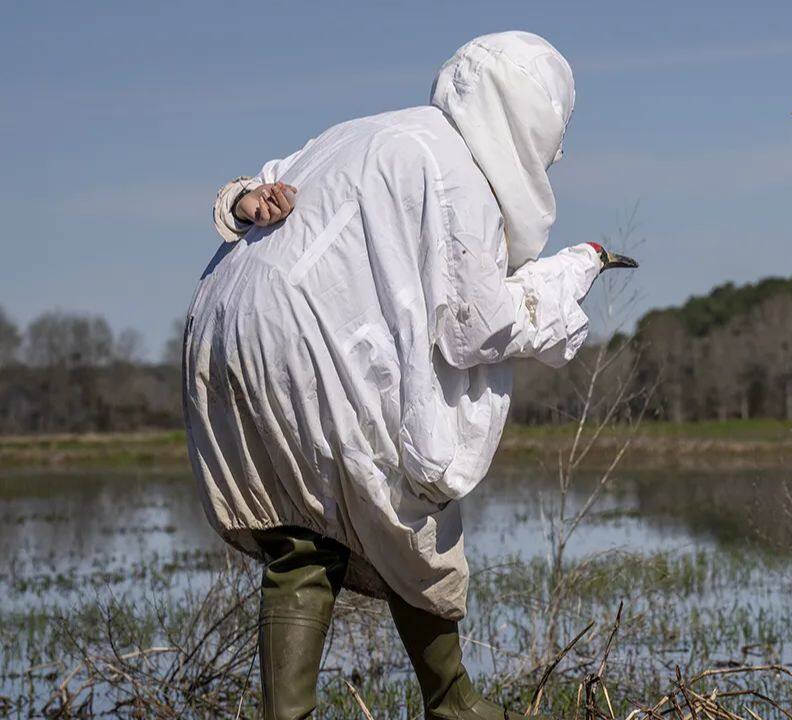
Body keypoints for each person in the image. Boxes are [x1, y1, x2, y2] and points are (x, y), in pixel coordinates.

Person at [185, 31, 635, 720]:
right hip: (309, 347)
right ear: (530, 116)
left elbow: (252, 194)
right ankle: (454, 704)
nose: (557, 150)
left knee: (302, 540)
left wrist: (244, 198)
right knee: (404, 497)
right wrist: (565, 296)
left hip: (221, 330)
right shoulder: (459, 174)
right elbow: (477, 327)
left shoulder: (373, 132)